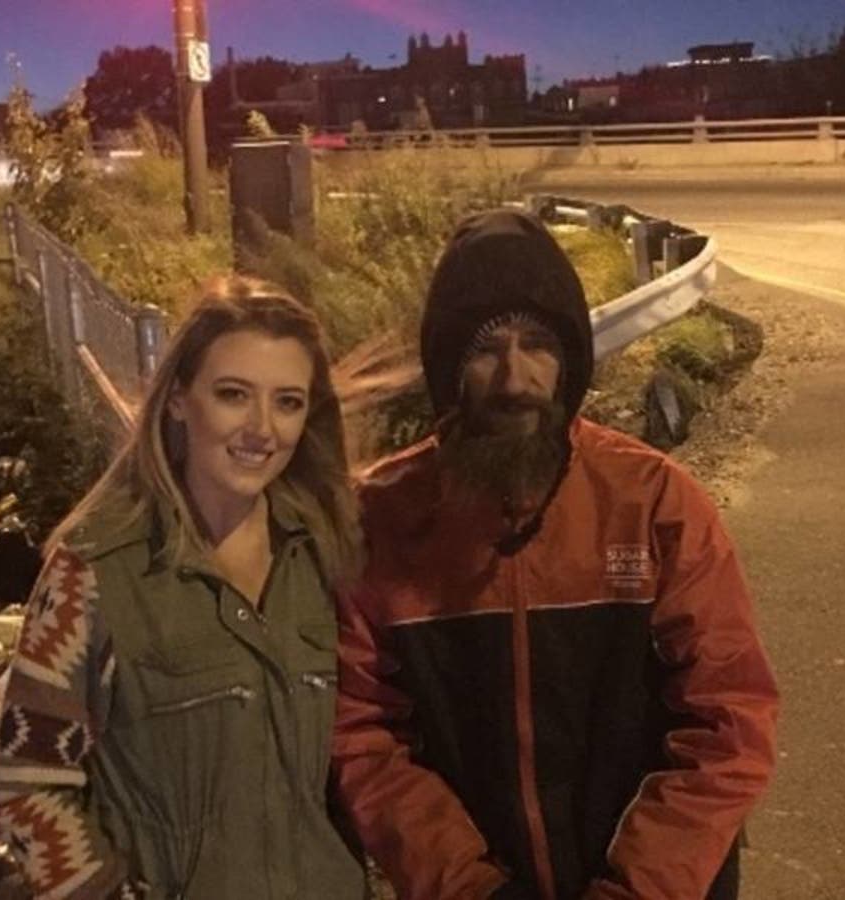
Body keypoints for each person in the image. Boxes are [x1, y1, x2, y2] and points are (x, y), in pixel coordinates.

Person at [332, 209, 779, 900]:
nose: (515, 379)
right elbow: (362, 732)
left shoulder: (653, 501)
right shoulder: (382, 520)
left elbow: (729, 718)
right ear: (448, 367)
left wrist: (638, 888)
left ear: (570, 359)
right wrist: (469, 887)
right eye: (486, 350)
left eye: (538, 344)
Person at [0, 277, 366, 899]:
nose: (262, 429)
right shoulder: (94, 572)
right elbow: (25, 793)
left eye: (288, 402)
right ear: (179, 400)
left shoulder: (327, 556)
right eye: (233, 395)